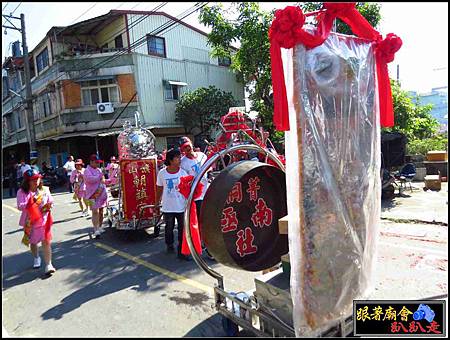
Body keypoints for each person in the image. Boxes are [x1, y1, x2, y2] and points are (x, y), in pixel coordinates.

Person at [16, 169, 56, 275]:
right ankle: (36, 257)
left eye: (37, 178)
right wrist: (30, 203)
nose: (36, 181)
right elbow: (20, 206)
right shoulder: (22, 192)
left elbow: (51, 201)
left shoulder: (45, 189)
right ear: (27, 181)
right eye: (33, 179)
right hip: (30, 222)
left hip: (44, 220)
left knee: (46, 241)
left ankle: (49, 264)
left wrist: (50, 205)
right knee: (33, 242)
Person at [156, 149, 189, 260]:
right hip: (168, 207)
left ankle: (181, 250)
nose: (180, 159)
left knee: (182, 229)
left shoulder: (183, 173)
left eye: (180, 157)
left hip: (181, 206)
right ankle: (169, 244)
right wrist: (157, 202)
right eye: (177, 157)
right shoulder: (162, 173)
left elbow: (187, 189)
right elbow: (159, 188)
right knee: (169, 228)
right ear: (170, 160)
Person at [83, 154, 108, 238]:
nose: (98, 164)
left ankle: (100, 226)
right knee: (95, 212)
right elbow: (91, 180)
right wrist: (100, 176)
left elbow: (103, 180)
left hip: (101, 194)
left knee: (101, 211)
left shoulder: (98, 170)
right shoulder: (86, 171)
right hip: (92, 195)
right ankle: (96, 229)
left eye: (99, 162)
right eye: (96, 162)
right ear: (91, 162)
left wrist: (109, 180)